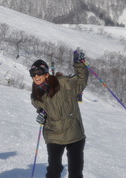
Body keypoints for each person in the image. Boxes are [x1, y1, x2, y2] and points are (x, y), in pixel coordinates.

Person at [30, 50, 88, 178]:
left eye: (39, 72)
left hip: (74, 134)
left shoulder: (62, 82)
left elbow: (81, 80)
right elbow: (39, 106)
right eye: (33, 74)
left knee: (75, 173)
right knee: (53, 171)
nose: (36, 76)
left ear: (46, 74)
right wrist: (42, 113)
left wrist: (79, 64)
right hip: (53, 134)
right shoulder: (36, 93)